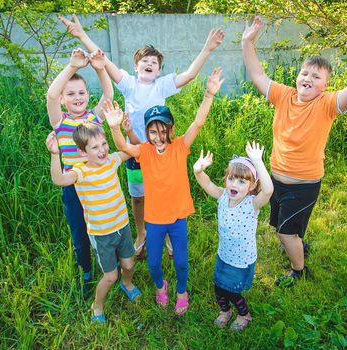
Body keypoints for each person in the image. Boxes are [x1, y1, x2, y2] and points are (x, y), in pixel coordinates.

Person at [241, 16, 347, 286]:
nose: (308, 78)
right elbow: (258, 75)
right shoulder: (283, 96)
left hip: (303, 185)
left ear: (324, 86)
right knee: (282, 227)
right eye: (304, 73)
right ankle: (297, 241)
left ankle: (299, 272)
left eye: (316, 76)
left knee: (285, 234)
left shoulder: (327, 105)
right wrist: (247, 42)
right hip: (275, 182)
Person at [59, 14, 225, 259]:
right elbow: (103, 60)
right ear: (136, 66)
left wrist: (207, 48)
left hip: (160, 152)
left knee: (164, 195)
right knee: (138, 197)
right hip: (134, 153)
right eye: (145, 61)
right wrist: (82, 35)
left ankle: (168, 233)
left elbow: (189, 75)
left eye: (154, 62)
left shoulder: (162, 85)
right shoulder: (128, 83)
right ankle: (141, 233)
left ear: (159, 70)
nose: (149, 64)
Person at [103, 68, 224, 315]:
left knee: (181, 261)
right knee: (154, 264)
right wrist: (115, 127)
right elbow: (122, 145)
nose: (158, 137)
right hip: (155, 219)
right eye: (153, 131)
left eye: (163, 130)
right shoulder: (144, 150)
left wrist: (209, 95)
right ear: (147, 132)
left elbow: (198, 122)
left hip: (178, 216)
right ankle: (161, 286)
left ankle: (181, 291)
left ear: (171, 129)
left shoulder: (180, 146)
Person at [46, 122, 141, 324]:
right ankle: (97, 305)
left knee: (129, 264)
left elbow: (135, 149)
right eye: (95, 147)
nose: (103, 150)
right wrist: (55, 155)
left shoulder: (112, 161)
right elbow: (58, 180)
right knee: (109, 276)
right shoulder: (81, 172)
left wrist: (126, 131)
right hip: (101, 233)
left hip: (122, 227)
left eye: (104, 144)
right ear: (82, 152)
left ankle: (128, 283)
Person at [46, 47, 113, 296]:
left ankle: (109, 263)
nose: (77, 97)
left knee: (103, 225)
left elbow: (108, 94)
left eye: (82, 92)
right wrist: (73, 66)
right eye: (71, 93)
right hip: (73, 186)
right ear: (64, 99)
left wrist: (99, 68)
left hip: (98, 186)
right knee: (79, 229)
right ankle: (86, 270)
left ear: (88, 95)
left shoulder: (94, 118)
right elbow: (50, 96)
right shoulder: (60, 121)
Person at [193, 142, 273, 331]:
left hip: (241, 260)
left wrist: (257, 161)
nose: (234, 184)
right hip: (224, 255)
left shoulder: (252, 205)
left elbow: (268, 191)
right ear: (226, 180)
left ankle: (244, 315)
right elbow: (206, 183)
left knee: (233, 291)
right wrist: (198, 170)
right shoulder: (222, 196)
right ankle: (225, 311)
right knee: (219, 287)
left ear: (253, 185)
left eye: (242, 181)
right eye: (231, 179)